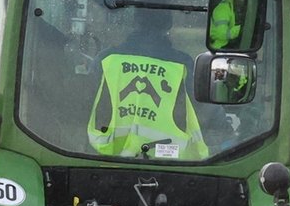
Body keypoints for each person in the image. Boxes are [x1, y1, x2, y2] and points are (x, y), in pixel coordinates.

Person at [88, 10, 208, 159]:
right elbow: (203, 110)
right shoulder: (183, 64)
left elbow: (86, 102)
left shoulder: (106, 59)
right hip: (171, 165)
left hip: (101, 160)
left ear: (135, 20)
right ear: (169, 23)